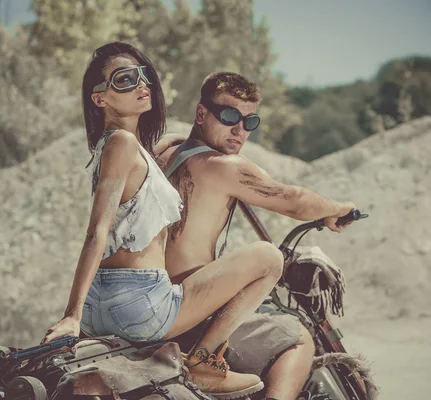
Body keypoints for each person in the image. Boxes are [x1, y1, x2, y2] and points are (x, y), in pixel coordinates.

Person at [40, 43, 284, 400]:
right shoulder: (122, 143)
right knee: (268, 259)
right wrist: (71, 315)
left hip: (103, 304)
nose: (142, 85)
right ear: (100, 99)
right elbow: (97, 231)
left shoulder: (127, 148)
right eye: (124, 79)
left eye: (145, 76)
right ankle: (203, 363)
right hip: (140, 305)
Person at [157, 72, 357, 400]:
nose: (239, 130)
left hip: (152, 297)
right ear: (201, 113)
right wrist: (336, 208)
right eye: (230, 116)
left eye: (250, 122)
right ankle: (204, 362)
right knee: (297, 338)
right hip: (187, 310)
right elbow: (294, 201)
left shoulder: (166, 151)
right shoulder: (223, 165)